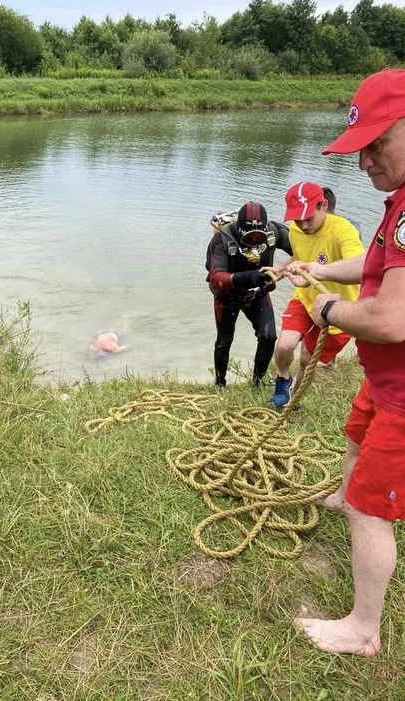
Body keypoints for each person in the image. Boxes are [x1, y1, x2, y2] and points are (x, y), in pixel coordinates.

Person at [286, 67, 405, 656]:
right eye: (359, 148)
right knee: (353, 435)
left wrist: (327, 308)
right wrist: (322, 271)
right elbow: (377, 266)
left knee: (370, 511)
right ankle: (343, 493)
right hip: (386, 382)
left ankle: (362, 629)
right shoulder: (399, 202)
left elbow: (390, 320)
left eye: (376, 143)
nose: (364, 162)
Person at [266, 181, 364, 408]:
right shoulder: (296, 230)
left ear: (323, 205)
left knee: (306, 360)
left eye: (308, 218)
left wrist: (321, 272)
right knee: (284, 346)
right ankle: (283, 379)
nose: (303, 224)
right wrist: (281, 269)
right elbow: (301, 256)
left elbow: (362, 267)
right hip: (305, 297)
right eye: (297, 219)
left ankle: (293, 401)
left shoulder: (344, 230)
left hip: (337, 308)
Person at [205, 200, 292, 387]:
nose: (254, 241)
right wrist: (251, 277)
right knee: (224, 340)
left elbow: (304, 248)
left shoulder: (274, 232)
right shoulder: (223, 239)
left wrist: (282, 270)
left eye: (258, 237)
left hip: (257, 293)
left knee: (269, 337)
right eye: (249, 237)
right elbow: (215, 277)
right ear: (239, 229)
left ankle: (257, 383)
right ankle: (220, 383)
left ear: (266, 229)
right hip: (227, 296)